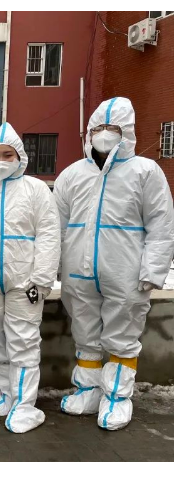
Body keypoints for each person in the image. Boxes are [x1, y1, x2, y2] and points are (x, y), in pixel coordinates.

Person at [55, 97, 174, 430]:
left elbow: (161, 224)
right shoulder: (72, 175)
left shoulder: (145, 172)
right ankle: (88, 391)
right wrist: (55, 266)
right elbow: (56, 226)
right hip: (78, 272)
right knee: (85, 333)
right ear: (89, 132)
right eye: (98, 128)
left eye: (112, 128)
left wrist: (154, 269)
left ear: (128, 132)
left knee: (123, 334)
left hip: (126, 272)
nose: (104, 134)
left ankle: (118, 397)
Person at [0, 122, 60, 434]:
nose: (1, 160)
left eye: (8, 155)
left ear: (20, 157)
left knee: (23, 340)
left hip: (24, 281)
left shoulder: (36, 190)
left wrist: (42, 278)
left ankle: (25, 404)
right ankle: (7, 392)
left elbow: (49, 234)